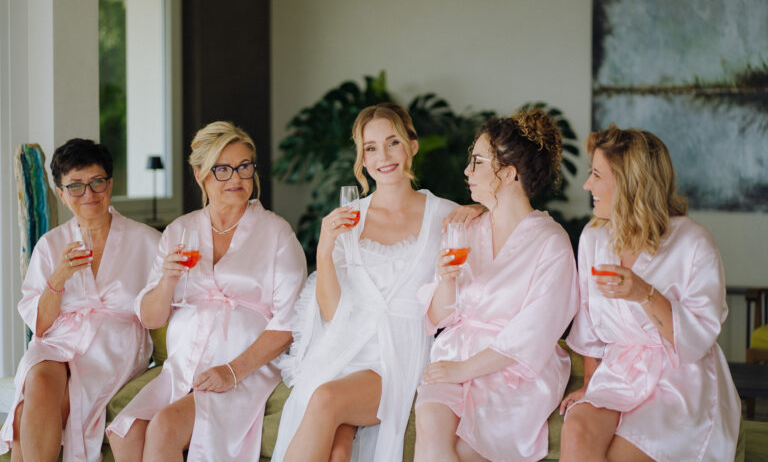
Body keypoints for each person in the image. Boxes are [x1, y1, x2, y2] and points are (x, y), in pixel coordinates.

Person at [106, 121, 307, 462]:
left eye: (244, 166)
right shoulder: (180, 231)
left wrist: (232, 372)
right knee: (125, 431)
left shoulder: (276, 233)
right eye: (223, 169)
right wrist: (167, 281)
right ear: (200, 175)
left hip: (245, 369)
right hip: (184, 366)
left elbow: (290, 323)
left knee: (165, 426)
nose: (237, 178)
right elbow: (152, 316)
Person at [272, 103, 457, 462]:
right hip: (345, 347)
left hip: (398, 350)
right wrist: (325, 250)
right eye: (370, 148)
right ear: (362, 158)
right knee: (338, 451)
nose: (382, 157)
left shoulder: (446, 215)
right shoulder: (350, 217)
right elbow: (332, 312)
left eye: (392, 143)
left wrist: (477, 211)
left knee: (326, 399)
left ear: (412, 145)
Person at [559, 125, 740, 462]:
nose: (587, 185)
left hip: (678, 380)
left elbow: (698, 338)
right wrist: (591, 384)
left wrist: (644, 293)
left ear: (629, 182)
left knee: (623, 454)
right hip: (619, 374)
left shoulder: (693, 243)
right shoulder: (595, 238)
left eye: (596, 174)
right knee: (578, 429)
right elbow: (588, 323)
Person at [414, 110, 580, 462]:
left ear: (508, 173)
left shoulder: (552, 243)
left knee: (464, 450)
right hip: (455, 354)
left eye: (477, 161)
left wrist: (464, 370)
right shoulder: (465, 228)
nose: (466, 171)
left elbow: (534, 334)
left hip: (514, 370)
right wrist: (445, 282)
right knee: (430, 430)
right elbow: (437, 317)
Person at [0, 139, 159, 462]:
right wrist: (57, 278)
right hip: (59, 340)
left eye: (96, 182)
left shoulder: (147, 241)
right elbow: (41, 327)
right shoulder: (51, 244)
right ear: (61, 193)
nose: (88, 195)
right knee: (40, 380)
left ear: (110, 183)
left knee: (35, 413)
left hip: (114, 345)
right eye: (75, 186)